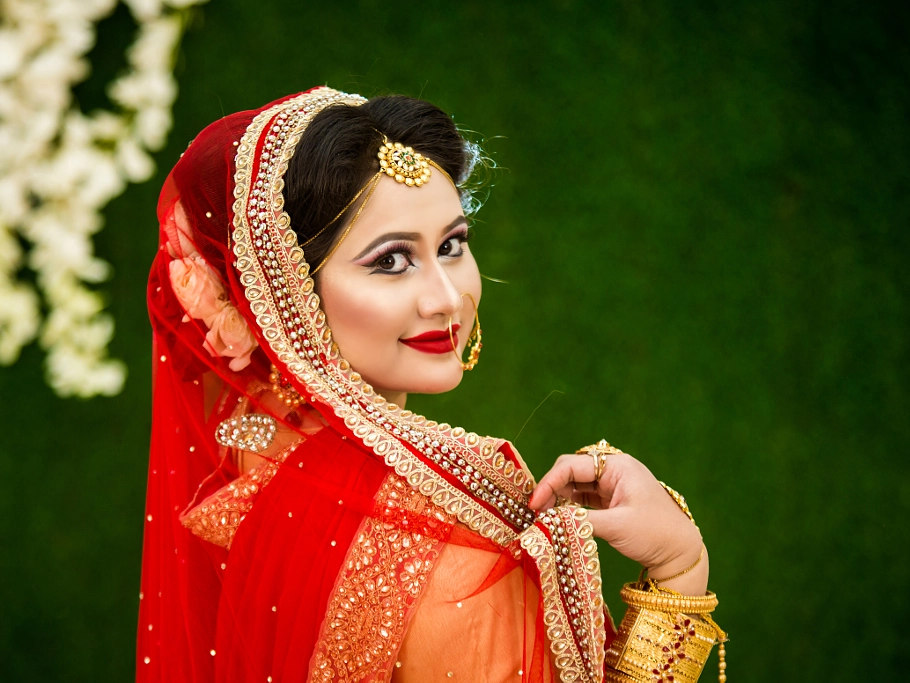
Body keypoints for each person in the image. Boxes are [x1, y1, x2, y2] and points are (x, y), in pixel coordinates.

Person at [139, 86, 726, 683]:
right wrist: (680, 570)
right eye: (390, 261)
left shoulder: (252, 451)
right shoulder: (459, 556)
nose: (448, 298)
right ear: (289, 293)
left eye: (451, 246)